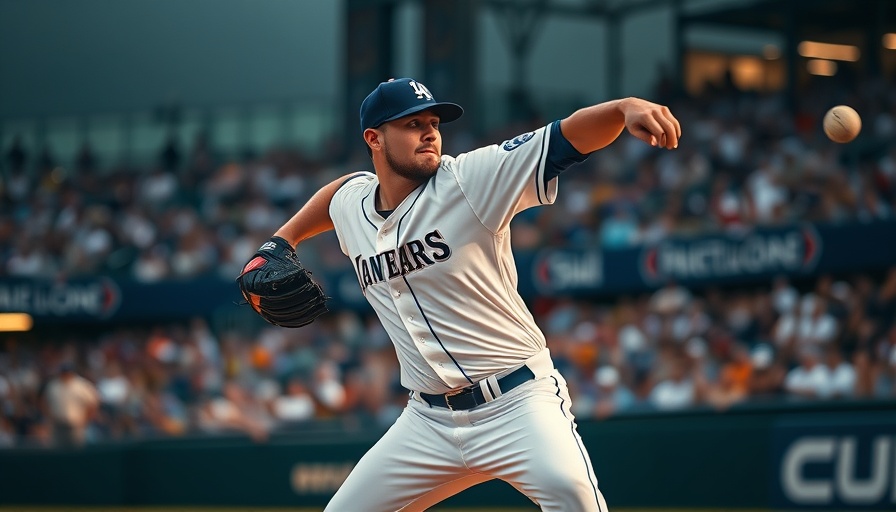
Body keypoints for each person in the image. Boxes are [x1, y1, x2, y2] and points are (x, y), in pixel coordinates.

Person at [257, 77, 680, 511]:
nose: (429, 132)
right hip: (427, 422)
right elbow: (338, 193)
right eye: (411, 124)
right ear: (374, 138)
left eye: (434, 122)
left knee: (573, 499)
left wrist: (621, 108)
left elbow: (566, 136)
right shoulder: (355, 204)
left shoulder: (469, 179)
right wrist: (280, 242)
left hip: (517, 404)